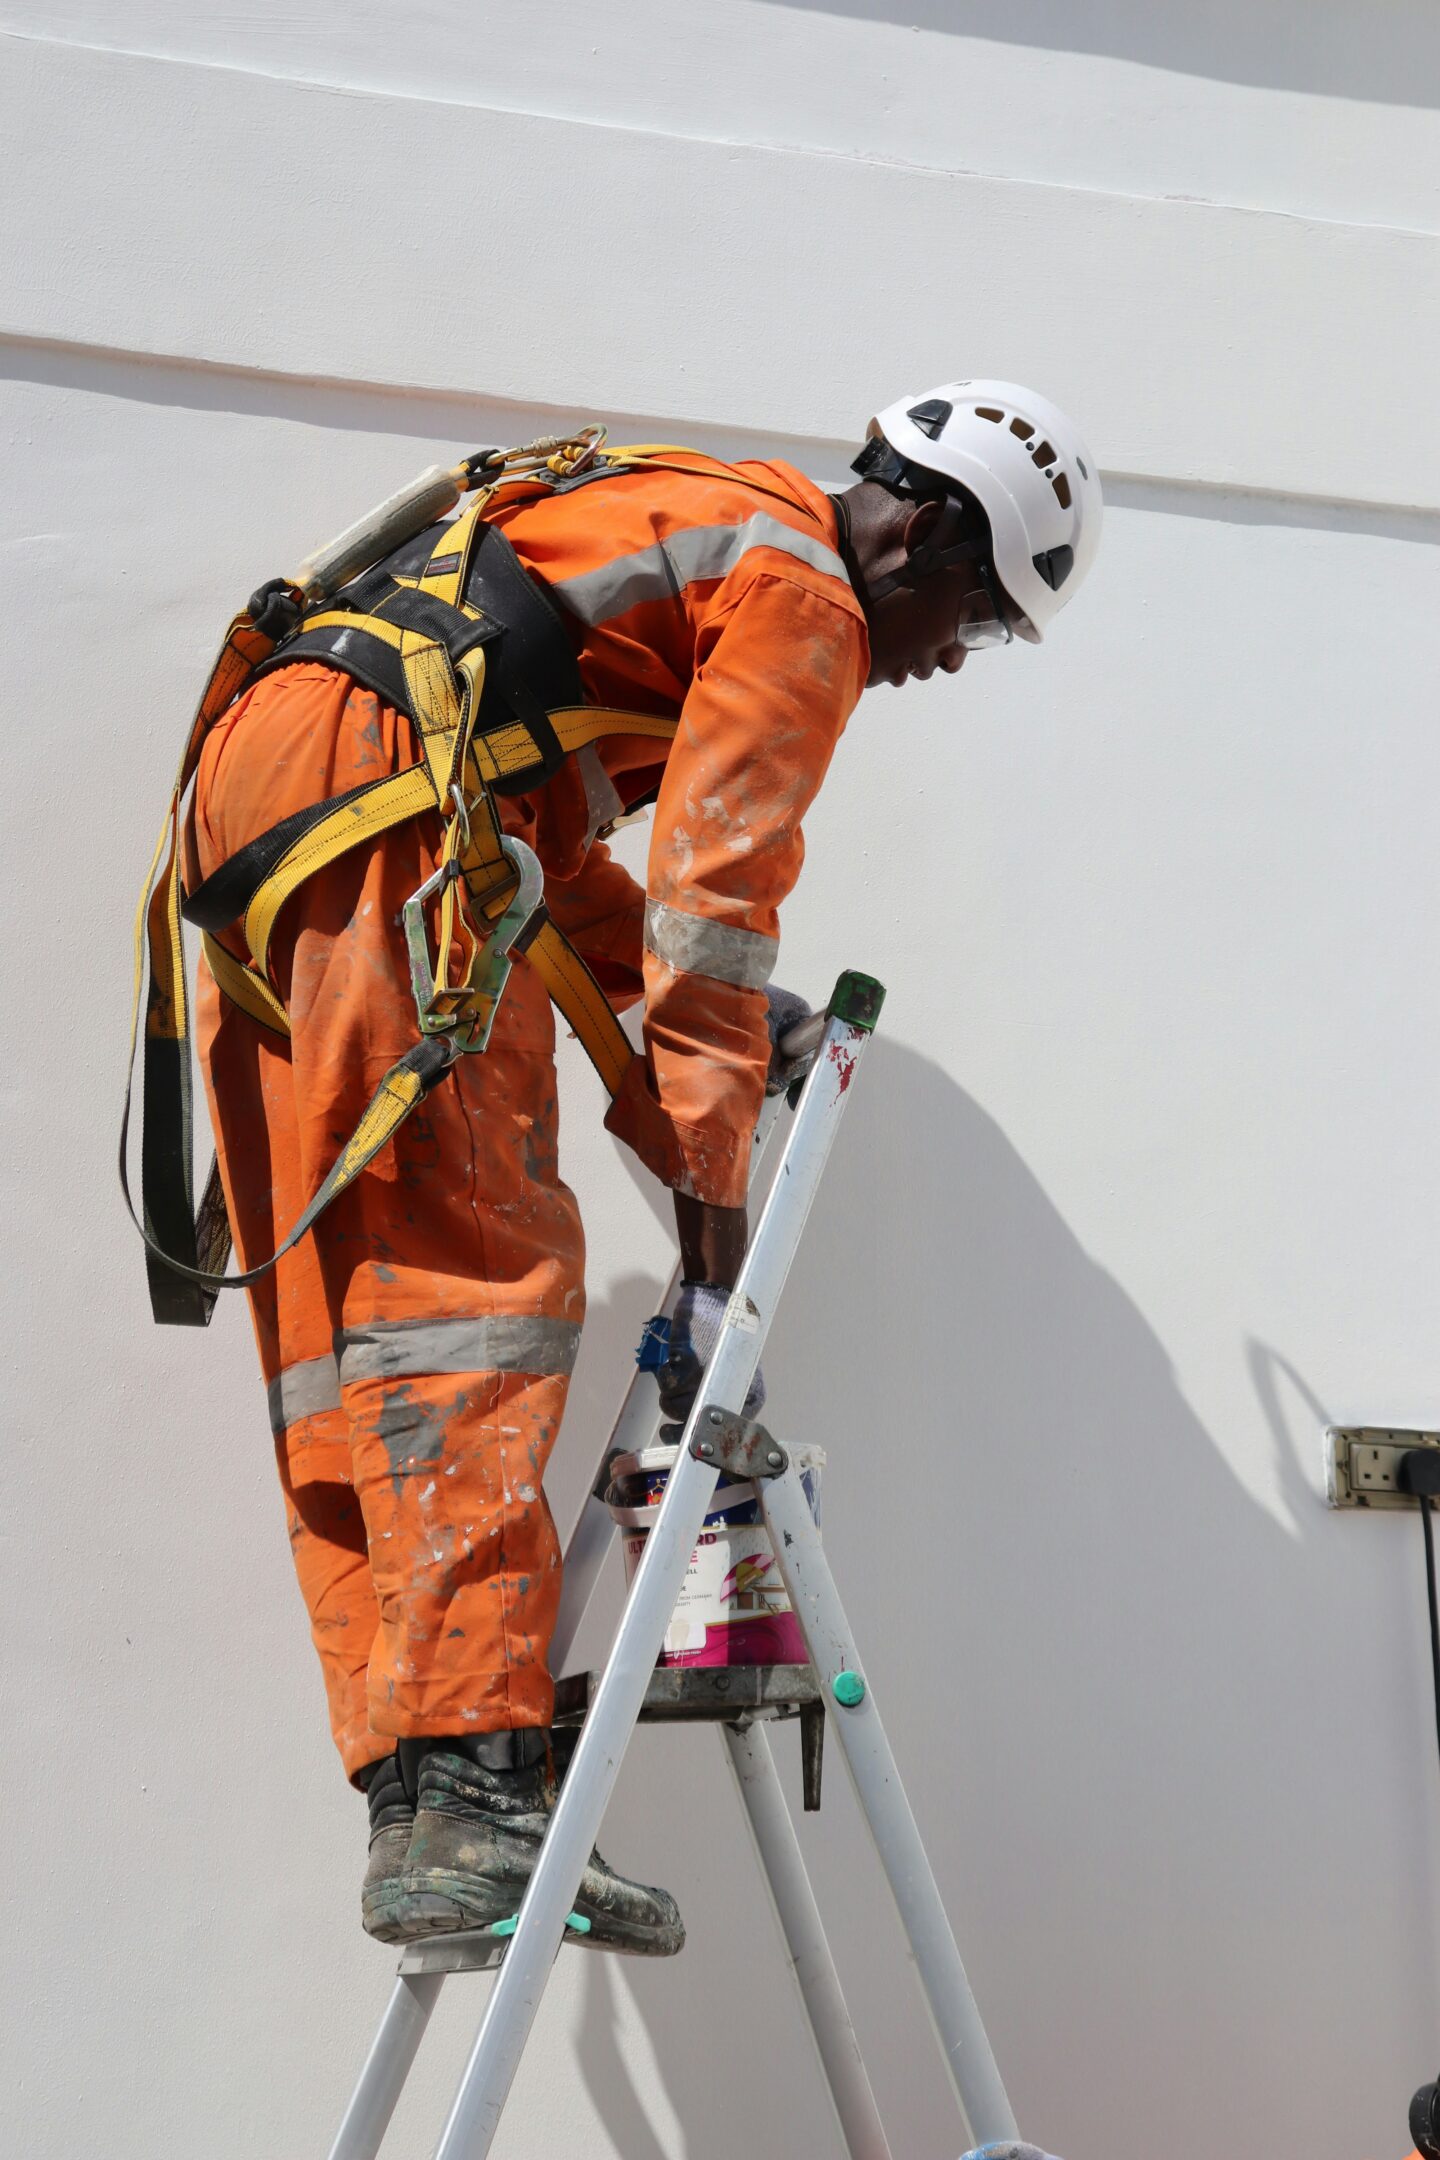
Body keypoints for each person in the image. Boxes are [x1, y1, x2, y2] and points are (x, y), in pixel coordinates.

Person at [176, 381, 1101, 1951]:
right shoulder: (805, 589)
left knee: (357, 1355)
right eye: (981, 615)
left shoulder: (693, 528)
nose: (953, 657)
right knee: (474, 1297)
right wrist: (716, 1204)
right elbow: (715, 904)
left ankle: (434, 1799)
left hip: (285, 817)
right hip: (379, 812)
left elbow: (558, 857)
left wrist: (697, 1072)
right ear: (931, 528)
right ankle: (471, 1789)